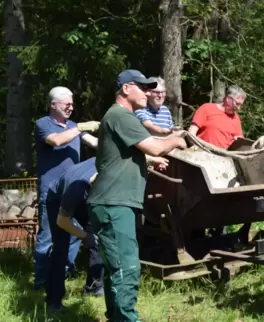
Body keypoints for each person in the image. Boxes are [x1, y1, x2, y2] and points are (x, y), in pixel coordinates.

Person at [86, 69, 187, 322]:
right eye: (142, 87)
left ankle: (116, 318)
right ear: (126, 89)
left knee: (114, 268)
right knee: (127, 268)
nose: (148, 92)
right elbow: (154, 144)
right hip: (114, 202)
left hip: (112, 201)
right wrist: (177, 139)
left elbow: (122, 155)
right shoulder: (122, 115)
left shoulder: (118, 117)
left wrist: (149, 162)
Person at [33, 86, 100, 290]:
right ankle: (42, 280)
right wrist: (79, 128)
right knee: (48, 236)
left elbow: (95, 143)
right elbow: (56, 140)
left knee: (75, 233)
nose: (71, 107)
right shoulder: (43, 124)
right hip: (50, 190)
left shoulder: (73, 126)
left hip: (74, 189)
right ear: (53, 105)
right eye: (66, 104)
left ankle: (62, 272)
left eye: (72, 104)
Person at [45, 157, 103, 312]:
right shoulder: (76, 189)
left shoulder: (111, 164)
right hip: (57, 198)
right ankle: (53, 300)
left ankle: (94, 287)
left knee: (98, 236)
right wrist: (84, 236)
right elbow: (62, 221)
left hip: (87, 196)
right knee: (61, 247)